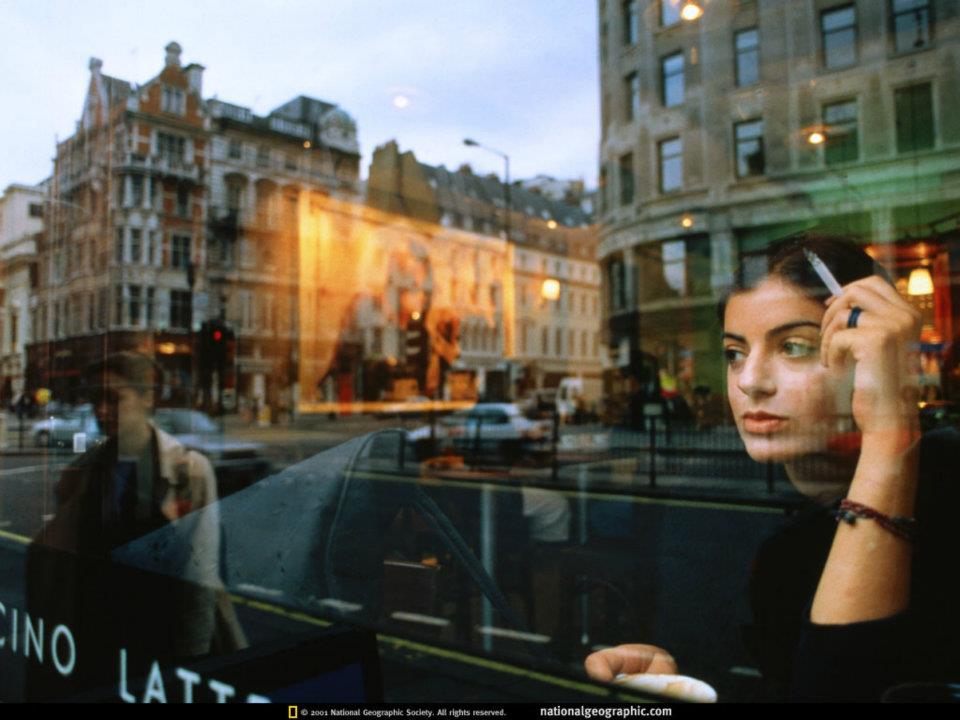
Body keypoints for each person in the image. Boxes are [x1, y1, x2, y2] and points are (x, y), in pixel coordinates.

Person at [584, 234, 960, 701]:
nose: (750, 381)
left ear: (871, 354)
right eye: (734, 353)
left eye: (795, 347)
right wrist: (688, 668)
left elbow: (838, 686)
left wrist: (889, 429)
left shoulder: (946, 484)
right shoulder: (713, 508)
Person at [25, 351, 246, 698]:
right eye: (96, 399)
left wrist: (191, 668)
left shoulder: (188, 471)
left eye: (114, 399)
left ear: (148, 397)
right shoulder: (85, 470)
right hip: (98, 641)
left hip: (160, 641)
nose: (101, 411)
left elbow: (198, 578)